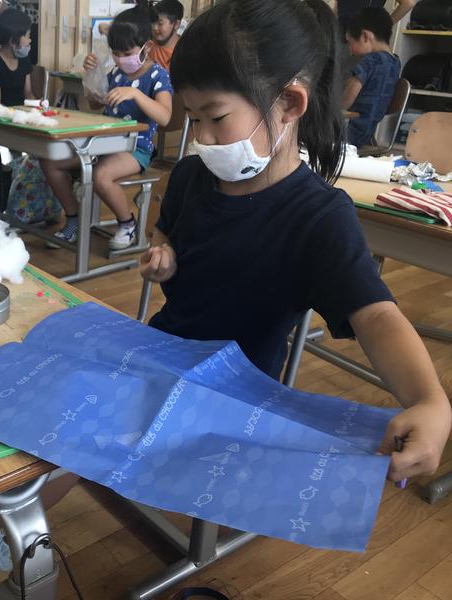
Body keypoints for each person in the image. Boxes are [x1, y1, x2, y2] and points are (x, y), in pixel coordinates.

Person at [140, 0, 449, 488]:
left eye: (215, 117)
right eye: (194, 118)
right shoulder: (189, 177)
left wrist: (430, 401)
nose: (202, 138)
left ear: (288, 104)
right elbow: (167, 235)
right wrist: (166, 255)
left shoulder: (319, 215)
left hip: (238, 389)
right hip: (164, 351)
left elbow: (376, 316)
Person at [40, 4, 173, 250]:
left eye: (127, 52)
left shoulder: (157, 76)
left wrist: (135, 95)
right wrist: (93, 74)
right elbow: (95, 103)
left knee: (101, 176)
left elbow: (165, 116)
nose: (121, 59)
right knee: (50, 162)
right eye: (116, 53)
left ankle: (127, 223)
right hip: (102, 144)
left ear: (147, 47)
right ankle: (73, 219)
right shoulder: (116, 74)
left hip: (136, 149)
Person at [341, 7, 401, 147]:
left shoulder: (370, 61)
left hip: (350, 131)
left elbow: (347, 100)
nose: (350, 50)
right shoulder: (395, 62)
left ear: (365, 36)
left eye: (350, 42)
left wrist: (334, 108)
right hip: (368, 133)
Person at [0, 8, 34, 106]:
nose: (30, 40)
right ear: (12, 41)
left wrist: (38, 106)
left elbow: (28, 93)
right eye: (27, 36)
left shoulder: (24, 59)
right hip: (1, 114)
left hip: (22, 113)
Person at [333, 0, 416, 32]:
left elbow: (408, 3)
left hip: (361, 37)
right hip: (338, 33)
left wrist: (384, 27)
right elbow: (337, 7)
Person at [148, 0, 184, 71]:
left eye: (160, 23)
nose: (155, 28)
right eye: (153, 22)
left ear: (176, 24)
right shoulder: (147, 44)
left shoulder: (184, 53)